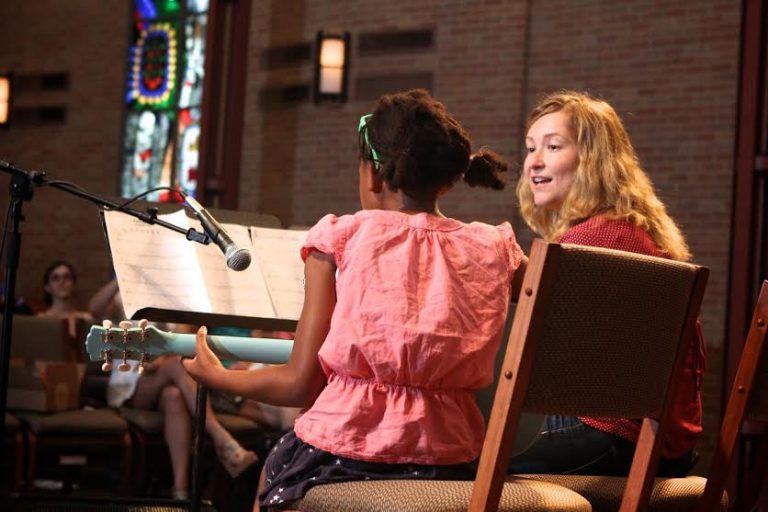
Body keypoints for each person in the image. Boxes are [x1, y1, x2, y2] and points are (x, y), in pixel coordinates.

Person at [182, 88, 526, 511]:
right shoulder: (494, 248)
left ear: (373, 174)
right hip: (455, 462)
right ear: (448, 177)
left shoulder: (340, 238)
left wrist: (217, 377)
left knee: (275, 472)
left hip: (345, 453)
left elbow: (300, 384)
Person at [509, 90, 705, 477]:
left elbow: (531, 358)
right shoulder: (631, 231)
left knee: (453, 451)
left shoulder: (590, 241)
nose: (534, 161)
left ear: (592, 158)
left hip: (610, 435)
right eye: (531, 148)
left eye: (553, 146)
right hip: (658, 442)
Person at [88, 278, 258, 500]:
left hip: (167, 381)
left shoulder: (175, 297)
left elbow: (184, 342)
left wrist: (161, 358)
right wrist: (119, 277)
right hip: (131, 383)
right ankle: (222, 440)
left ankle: (180, 490)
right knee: (176, 366)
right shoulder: (124, 294)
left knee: (174, 396)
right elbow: (94, 309)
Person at [37, 261, 94, 342]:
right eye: (55, 278)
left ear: (73, 284)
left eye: (66, 277)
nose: (62, 281)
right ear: (47, 287)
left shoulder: (86, 318)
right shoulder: (41, 320)